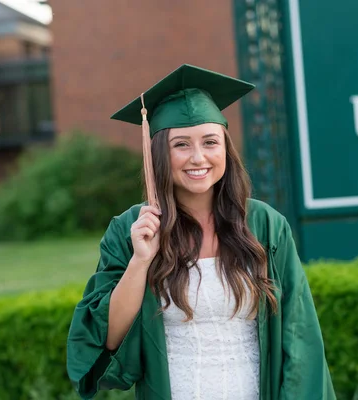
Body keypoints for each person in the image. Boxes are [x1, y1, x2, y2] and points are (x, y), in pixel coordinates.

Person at [66, 64, 335, 400]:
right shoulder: (132, 229)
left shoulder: (264, 225)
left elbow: (299, 335)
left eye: (210, 142)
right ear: (160, 153)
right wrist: (140, 261)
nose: (198, 157)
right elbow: (108, 338)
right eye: (181, 144)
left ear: (226, 148)